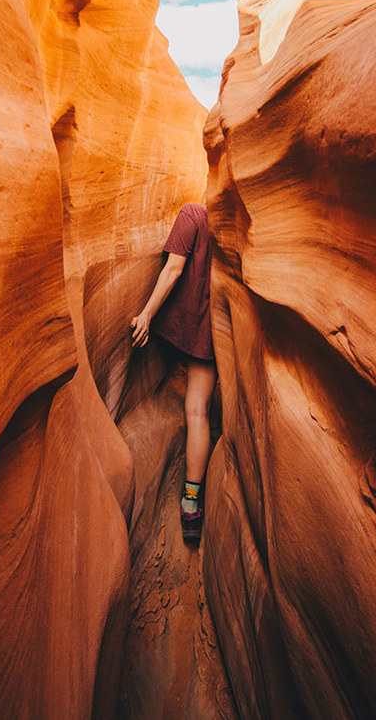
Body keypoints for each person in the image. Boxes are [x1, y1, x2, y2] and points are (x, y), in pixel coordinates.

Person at [131, 202, 216, 541]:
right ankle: (191, 505)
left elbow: (173, 270)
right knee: (199, 411)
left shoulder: (193, 214)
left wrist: (147, 314)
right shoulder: (230, 220)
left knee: (190, 407)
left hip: (182, 325)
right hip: (212, 333)